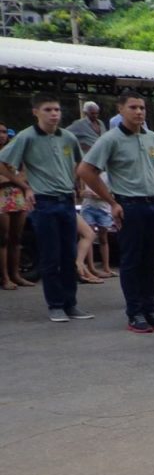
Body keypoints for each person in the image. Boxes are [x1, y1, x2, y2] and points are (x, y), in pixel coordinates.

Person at [78, 89, 154, 334]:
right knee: (131, 261)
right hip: (129, 205)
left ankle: (150, 309)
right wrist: (112, 201)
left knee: (150, 260)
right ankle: (135, 312)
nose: (139, 112)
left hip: (153, 204)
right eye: (133, 107)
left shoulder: (151, 137)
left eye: (141, 107)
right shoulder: (110, 139)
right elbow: (86, 170)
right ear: (120, 110)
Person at [0, 93, 92, 321]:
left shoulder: (68, 137)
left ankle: (71, 303)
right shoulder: (27, 137)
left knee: (68, 254)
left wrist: (75, 184)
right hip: (44, 202)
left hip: (66, 201)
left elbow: (79, 163)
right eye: (48, 110)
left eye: (57, 110)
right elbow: (3, 162)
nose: (53, 114)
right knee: (51, 256)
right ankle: (56, 305)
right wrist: (24, 185)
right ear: (36, 112)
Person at [0, 123, 34, 291]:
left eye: (4, 132)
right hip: (2, 198)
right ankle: (5, 277)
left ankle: (16, 274)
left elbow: (25, 173)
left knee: (17, 238)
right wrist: (15, 179)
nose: (2, 135)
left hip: (18, 196)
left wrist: (9, 179)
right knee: (3, 238)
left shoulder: (14, 152)